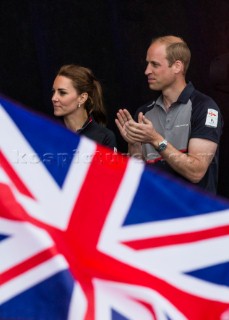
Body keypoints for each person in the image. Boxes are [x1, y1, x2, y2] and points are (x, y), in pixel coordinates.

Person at [115, 35, 223, 194]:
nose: (147, 71)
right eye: (147, 63)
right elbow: (138, 177)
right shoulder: (144, 112)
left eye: (155, 64)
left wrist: (155, 139)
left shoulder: (204, 107)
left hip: (193, 214)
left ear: (177, 66)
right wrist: (134, 145)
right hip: (158, 213)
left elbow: (196, 172)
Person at [52, 64, 117, 150]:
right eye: (53, 92)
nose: (53, 98)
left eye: (62, 93)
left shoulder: (104, 137)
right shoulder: (49, 132)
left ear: (82, 98)